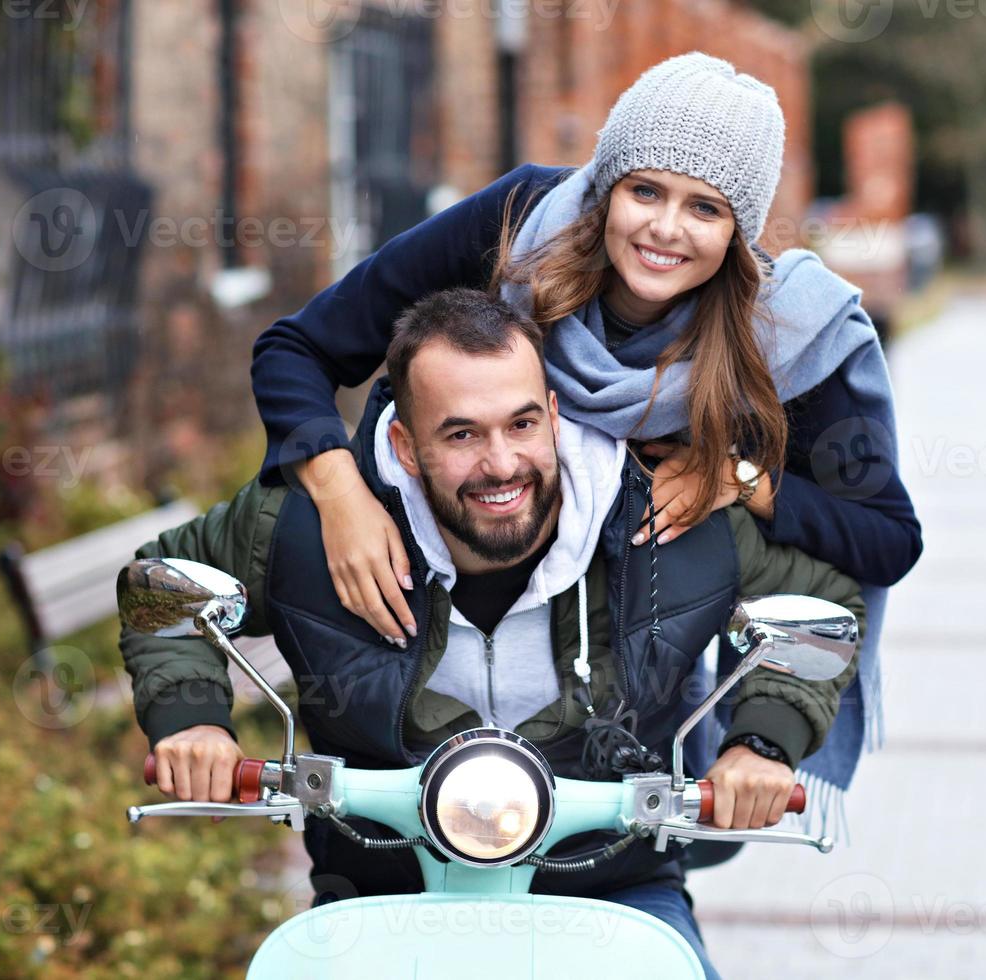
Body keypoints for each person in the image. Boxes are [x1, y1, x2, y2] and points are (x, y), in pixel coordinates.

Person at [120, 289, 865, 978]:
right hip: (381, 898)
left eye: (521, 424)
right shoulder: (310, 528)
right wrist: (195, 724)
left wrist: (760, 744)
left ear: (553, 411)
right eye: (461, 435)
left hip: (611, 888)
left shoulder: (670, 520)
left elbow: (818, 596)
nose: (502, 463)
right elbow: (165, 580)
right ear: (407, 448)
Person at [250, 51, 921, 818]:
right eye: (644, 191)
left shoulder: (786, 334)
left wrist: (741, 480)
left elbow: (886, 538)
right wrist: (340, 495)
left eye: (705, 208)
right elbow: (296, 349)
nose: (665, 229)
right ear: (607, 186)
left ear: (740, 230)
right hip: (429, 671)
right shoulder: (515, 227)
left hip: (629, 705)